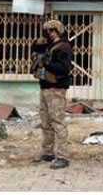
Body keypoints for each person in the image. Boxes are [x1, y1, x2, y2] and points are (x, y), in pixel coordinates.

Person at [30, 19, 72, 169]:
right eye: (47, 31)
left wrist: (47, 62)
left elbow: (63, 68)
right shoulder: (49, 46)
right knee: (46, 122)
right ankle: (48, 152)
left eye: (52, 31)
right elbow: (35, 51)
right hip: (45, 88)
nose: (50, 34)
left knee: (58, 123)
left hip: (56, 89)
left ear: (59, 31)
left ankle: (63, 156)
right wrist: (37, 44)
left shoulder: (64, 47)